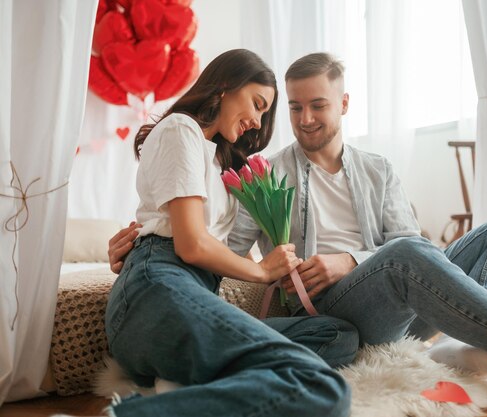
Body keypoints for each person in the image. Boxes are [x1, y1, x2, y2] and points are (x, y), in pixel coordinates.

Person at [110, 52, 487, 398]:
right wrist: (148, 241)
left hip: (398, 291)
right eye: (292, 108)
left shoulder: (378, 169)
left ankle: (466, 346)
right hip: (335, 306)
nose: (305, 118)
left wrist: (351, 260)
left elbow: (410, 243)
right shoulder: (266, 173)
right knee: (410, 257)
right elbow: (221, 241)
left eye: (318, 105)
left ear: (344, 104)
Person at [61, 49, 355, 417]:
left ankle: (190, 389)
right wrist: (264, 271)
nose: (258, 120)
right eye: (257, 103)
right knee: (321, 385)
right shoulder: (181, 128)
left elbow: (216, 245)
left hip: (193, 290)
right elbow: (190, 243)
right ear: (225, 87)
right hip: (157, 291)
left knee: (337, 334)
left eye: (265, 113)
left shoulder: (218, 160)